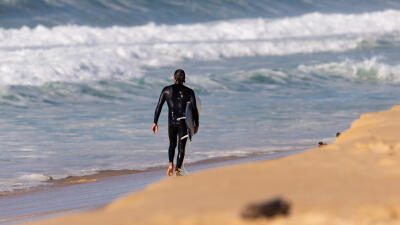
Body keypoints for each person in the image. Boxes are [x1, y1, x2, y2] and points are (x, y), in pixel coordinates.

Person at [152, 69, 199, 176]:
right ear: (184, 79)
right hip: (183, 123)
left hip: (171, 122)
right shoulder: (190, 91)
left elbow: (159, 106)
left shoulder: (166, 90)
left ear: (174, 78)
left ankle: (170, 165)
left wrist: (155, 122)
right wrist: (196, 124)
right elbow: (194, 109)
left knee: (172, 144)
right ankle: (177, 171)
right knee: (181, 148)